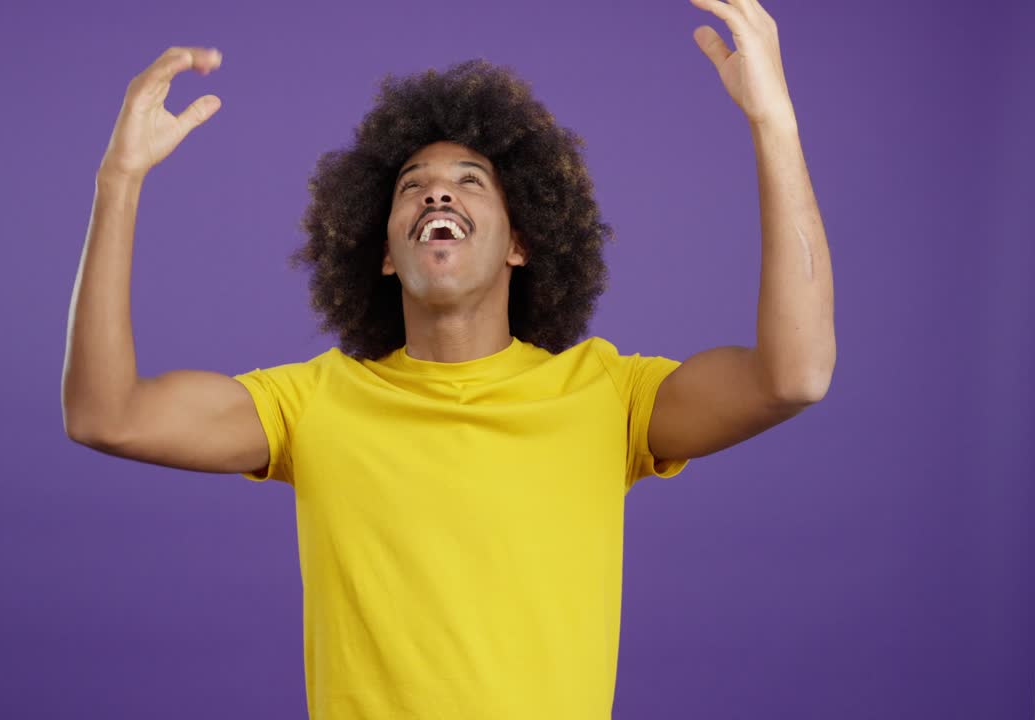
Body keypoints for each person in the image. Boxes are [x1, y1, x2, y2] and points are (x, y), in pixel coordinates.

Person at [62, 2, 834, 716]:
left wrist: (775, 123)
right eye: (412, 188)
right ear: (387, 255)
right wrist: (118, 181)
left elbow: (793, 375)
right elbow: (107, 415)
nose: (437, 196)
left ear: (523, 243)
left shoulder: (608, 396)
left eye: (470, 183)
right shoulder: (313, 404)